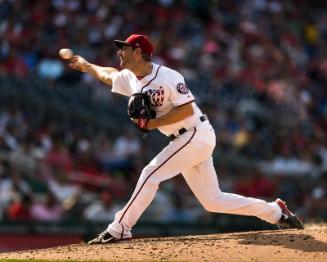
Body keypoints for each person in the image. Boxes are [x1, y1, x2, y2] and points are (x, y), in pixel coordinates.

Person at [67, 34, 303, 244]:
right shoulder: (131, 77)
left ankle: (119, 229)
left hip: (195, 134)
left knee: (151, 173)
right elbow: (110, 75)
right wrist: (87, 66)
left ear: (138, 52)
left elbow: (187, 110)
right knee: (213, 201)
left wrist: (152, 123)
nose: (120, 52)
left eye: (125, 48)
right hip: (185, 139)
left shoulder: (167, 76)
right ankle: (275, 212)